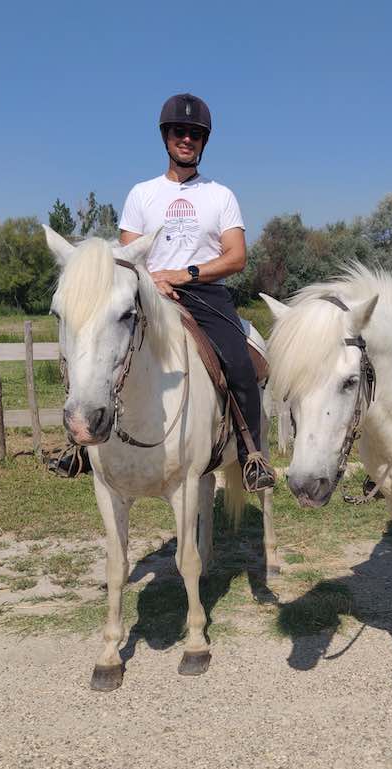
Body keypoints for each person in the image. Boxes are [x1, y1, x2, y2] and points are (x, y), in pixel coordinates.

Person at [118, 93, 275, 492]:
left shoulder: (220, 195)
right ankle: (83, 445)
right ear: (166, 137)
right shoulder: (141, 194)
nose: (186, 139)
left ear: (204, 141)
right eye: (179, 132)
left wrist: (184, 274)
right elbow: (126, 254)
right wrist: (153, 281)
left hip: (205, 296)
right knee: (102, 348)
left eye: (195, 134)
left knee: (240, 364)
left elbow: (236, 257)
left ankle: (251, 454)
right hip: (150, 294)